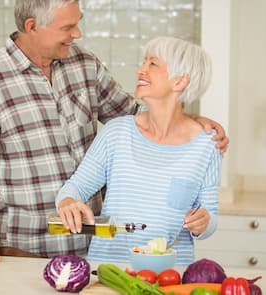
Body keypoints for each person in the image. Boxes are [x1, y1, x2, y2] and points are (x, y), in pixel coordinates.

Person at [0, 0, 228, 267]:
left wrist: (191, 123)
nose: (77, 34)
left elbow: (135, 114)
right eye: (67, 27)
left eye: (77, 24)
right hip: (27, 248)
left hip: (93, 246)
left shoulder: (84, 64)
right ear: (33, 26)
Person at [56, 36, 220, 266]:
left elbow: (210, 218)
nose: (140, 69)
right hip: (106, 269)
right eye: (144, 62)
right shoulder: (117, 133)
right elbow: (75, 188)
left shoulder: (207, 145)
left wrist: (203, 223)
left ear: (180, 81)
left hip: (170, 273)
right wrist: (67, 203)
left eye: (152, 64)